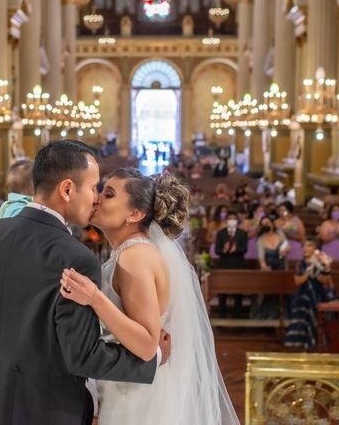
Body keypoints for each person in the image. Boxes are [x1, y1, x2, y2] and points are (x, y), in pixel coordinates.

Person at [0, 140, 169, 425]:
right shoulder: (75, 257)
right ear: (68, 189)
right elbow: (82, 357)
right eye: (94, 187)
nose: (96, 198)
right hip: (50, 407)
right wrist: (153, 360)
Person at [60, 168, 239, 424]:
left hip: (137, 396)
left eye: (108, 194)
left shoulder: (136, 257)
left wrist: (94, 298)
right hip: (128, 384)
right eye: (100, 190)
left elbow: (146, 345)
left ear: (135, 214)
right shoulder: (130, 252)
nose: (97, 198)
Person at [284, 238, 336, 350]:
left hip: (318, 295)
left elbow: (327, 281)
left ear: (315, 248)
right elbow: (297, 281)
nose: (305, 248)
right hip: (303, 296)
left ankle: (317, 344)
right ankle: (302, 345)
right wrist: (307, 274)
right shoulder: (300, 264)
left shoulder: (322, 262)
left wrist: (319, 271)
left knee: (318, 319)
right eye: (304, 246)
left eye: (309, 246)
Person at [215, 211, 248, 318]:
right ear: (227, 220)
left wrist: (236, 249)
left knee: (238, 293)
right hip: (223, 266)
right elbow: (217, 250)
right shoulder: (221, 233)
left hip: (238, 266)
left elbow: (245, 249)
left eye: (234, 219)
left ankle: (238, 316)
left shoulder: (242, 233)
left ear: (237, 221)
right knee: (222, 293)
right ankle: (221, 316)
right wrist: (224, 250)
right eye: (230, 219)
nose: (232, 221)